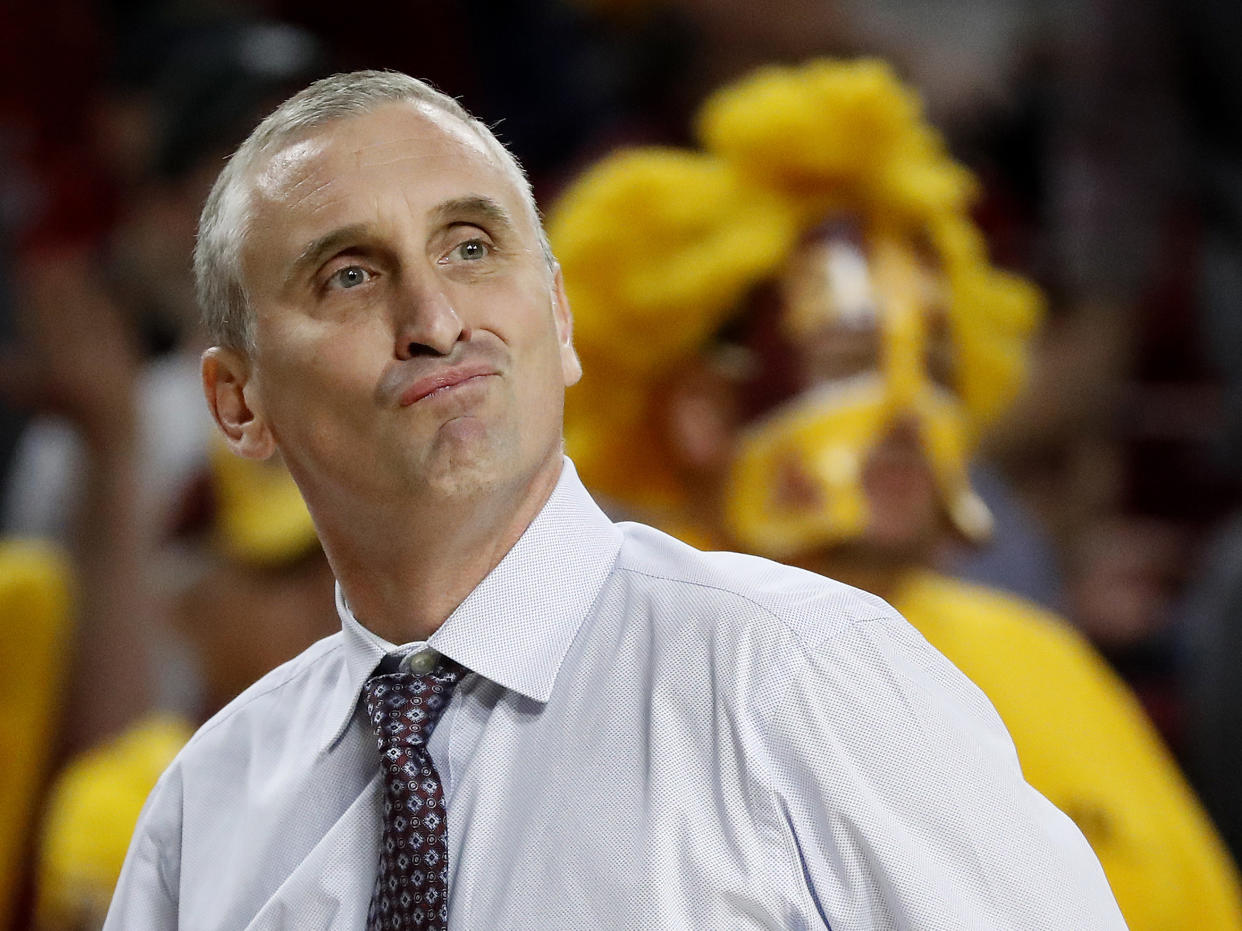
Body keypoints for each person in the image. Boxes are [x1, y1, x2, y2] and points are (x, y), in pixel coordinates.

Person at [105, 68, 1125, 929]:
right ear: (239, 405)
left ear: (559, 311)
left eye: (470, 246)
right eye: (349, 276)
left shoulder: (796, 674)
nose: (437, 317)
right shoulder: (202, 811)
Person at [548, 58, 1242, 929]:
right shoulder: (620, 686)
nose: (911, 416)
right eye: (848, 361)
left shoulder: (1041, 654)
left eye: (940, 370)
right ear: (703, 414)